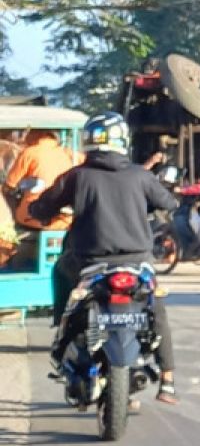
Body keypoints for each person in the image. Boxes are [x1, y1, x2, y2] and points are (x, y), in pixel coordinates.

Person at [34, 112, 180, 404]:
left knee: (61, 273)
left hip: (90, 261)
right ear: (122, 141)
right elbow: (170, 204)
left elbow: (41, 209)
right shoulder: (141, 175)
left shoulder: (77, 177)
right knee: (156, 308)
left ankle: (61, 331)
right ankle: (168, 379)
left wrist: (44, 208)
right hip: (138, 262)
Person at [5, 128, 80, 232]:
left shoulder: (30, 153)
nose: (25, 137)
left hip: (32, 219)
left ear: (37, 133)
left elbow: (10, 184)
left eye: (28, 132)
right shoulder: (69, 154)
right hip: (65, 221)